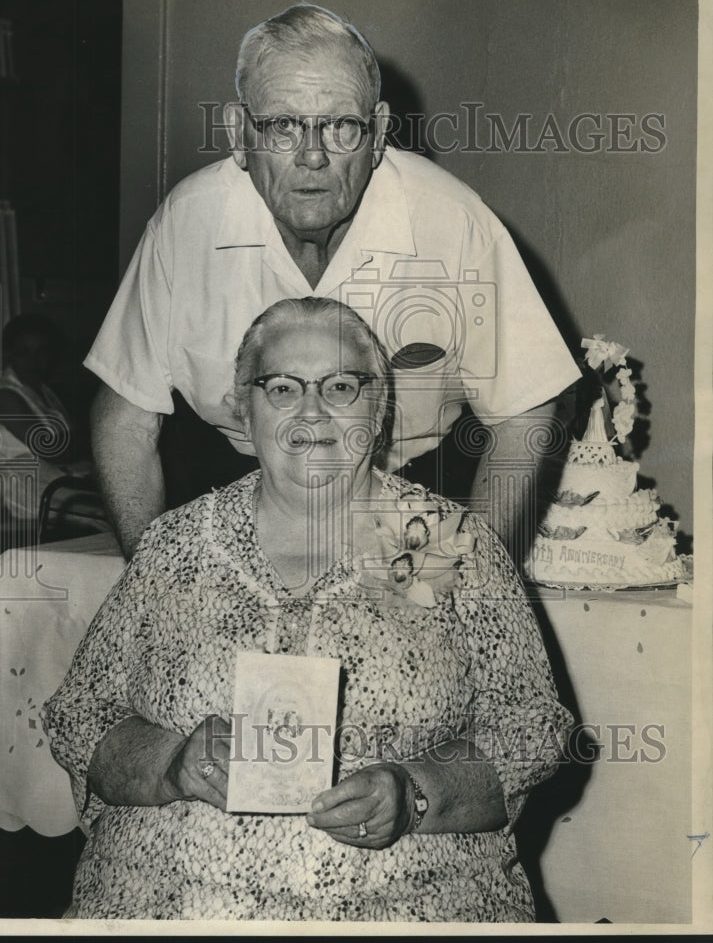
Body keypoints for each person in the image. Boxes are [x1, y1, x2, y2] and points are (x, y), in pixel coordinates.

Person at [44, 297, 573, 922]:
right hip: (174, 900)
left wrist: (415, 793)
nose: (313, 411)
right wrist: (169, 765)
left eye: (341, 386)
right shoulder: (175, 547)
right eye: (283, 388)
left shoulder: (447, 543)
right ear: (245, 409)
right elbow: (80, 716)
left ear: (379, 410)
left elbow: (532, 727)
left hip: (405, 905)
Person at [85, 3, 580, 562]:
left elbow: (524, 410)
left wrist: (471, 579)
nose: (313, 155)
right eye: (281, 126)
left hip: (409, 507)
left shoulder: (453, 222)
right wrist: (150, 574)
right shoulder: (187, 221)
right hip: (230, 496)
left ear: (380, 134)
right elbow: (124, 413)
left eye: (342, 126)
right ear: (239, 133)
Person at [0, 313, 103, 530]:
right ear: (10, 355)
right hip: (25, 487)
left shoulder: (43, 390)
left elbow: (71, 442)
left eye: (42, 351)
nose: (34, 361)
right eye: (24, 352)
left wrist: (76, 440)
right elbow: (52, 449)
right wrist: (80, 437)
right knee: (104, 515)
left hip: (52, 478)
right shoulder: (2, 395)